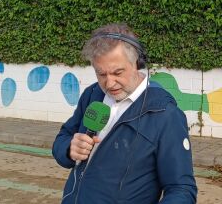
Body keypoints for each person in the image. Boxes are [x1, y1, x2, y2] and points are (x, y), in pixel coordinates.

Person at [52, 23, 197, 204]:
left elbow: (181, 190)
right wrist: (69, 149)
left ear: (137, 62)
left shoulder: (165, 115)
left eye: (117, 72)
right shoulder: (92, 94)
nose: (109, 83)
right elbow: (64, 136)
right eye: (101, 74)